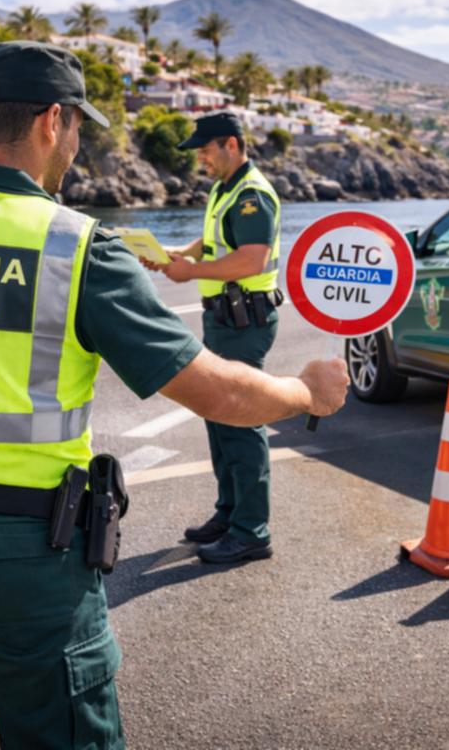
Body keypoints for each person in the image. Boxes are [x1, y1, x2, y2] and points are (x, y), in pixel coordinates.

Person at [0, 41, 348, 750]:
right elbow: (218, 394)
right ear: (52, 121)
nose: (76, 141)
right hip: (31, 557)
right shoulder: (75, 246)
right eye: (78, 124)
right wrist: (304, 390)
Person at [145, 111, 284, 564]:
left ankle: (251, 531)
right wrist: (181, 253)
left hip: (244, 322)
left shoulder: (252, 196)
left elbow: (251, 260)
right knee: (219, 416)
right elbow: (215, 240)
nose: (200, 158)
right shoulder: (226, 190)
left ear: (231, 143)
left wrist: (190, 273)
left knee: (242, 420)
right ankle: (229, 514)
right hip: (225, 320)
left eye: (205, 150)